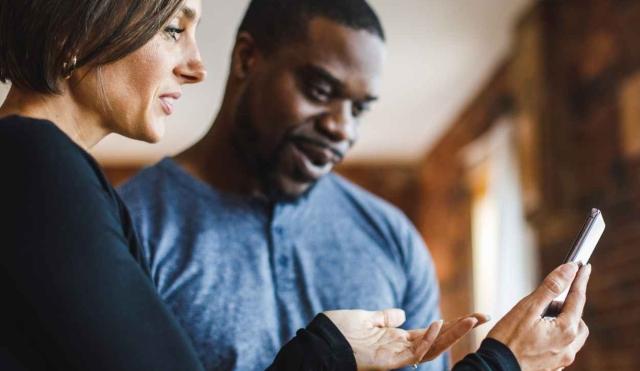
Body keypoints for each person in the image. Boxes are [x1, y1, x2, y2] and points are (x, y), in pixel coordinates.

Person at [118, 1, 590, 371]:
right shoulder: (128, 226)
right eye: (320, 91)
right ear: (247, 58)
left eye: (359, 108)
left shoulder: (393, 239)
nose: (342, 128)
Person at [0, 0, 462, 370]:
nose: (197, 67)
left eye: (359, 109)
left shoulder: (394, 237)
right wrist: (329, 351)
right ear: (75, 32)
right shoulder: (35, 164)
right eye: (173, 30)